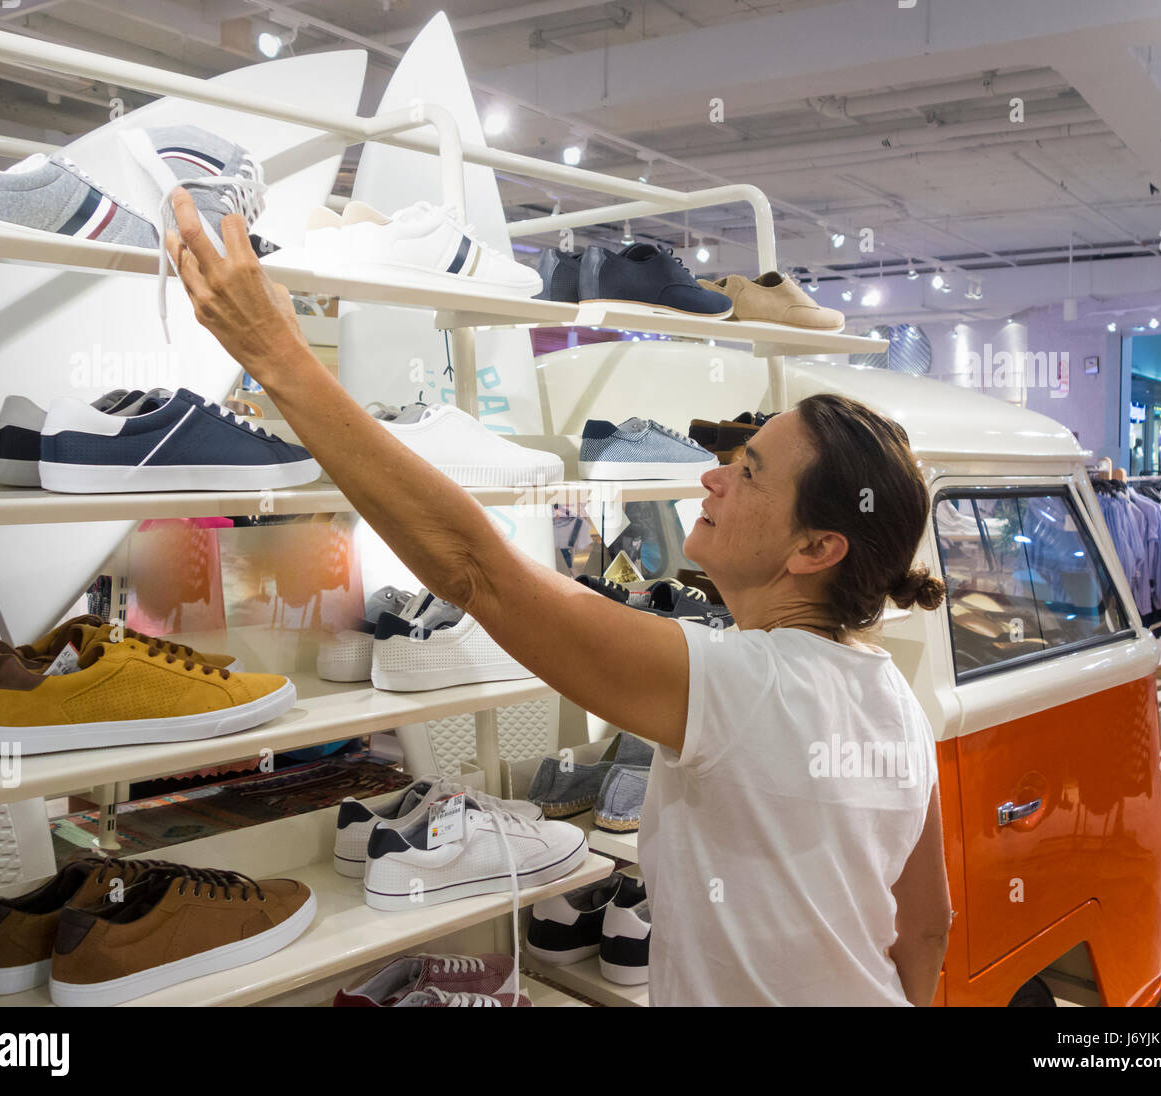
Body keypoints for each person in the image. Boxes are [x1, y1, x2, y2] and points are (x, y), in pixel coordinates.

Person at [166, 191, 953, 1006]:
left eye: (749, 471)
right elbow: (927, 925)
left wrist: (281, 355)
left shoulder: (740, 683)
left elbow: (477, 570)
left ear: (817, 549)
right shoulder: (891, 695)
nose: (712, 474)